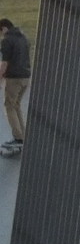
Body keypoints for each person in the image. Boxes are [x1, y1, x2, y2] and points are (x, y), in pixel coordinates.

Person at [0, 17, 30, 157]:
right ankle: (23, 135)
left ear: (4, 28)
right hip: (25, 77)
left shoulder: (7, 40)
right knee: (16, 105)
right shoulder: (23, 37)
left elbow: (4, 64)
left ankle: (18, 138)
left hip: (14, 78)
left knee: (9, 106)